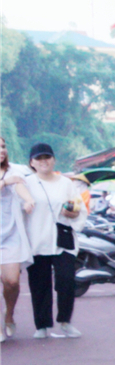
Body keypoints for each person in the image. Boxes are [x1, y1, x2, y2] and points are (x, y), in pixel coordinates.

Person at [20, 144, 85, 339]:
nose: (43, 161)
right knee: (39, 284)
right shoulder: (26, 183)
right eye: (39, 158)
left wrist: (72, 213)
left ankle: (65, 321)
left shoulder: (66, 183)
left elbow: (79, 207)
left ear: (54, 160)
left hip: (62, 240)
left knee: (66, 280)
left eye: (47, 157)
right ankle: (42, 325)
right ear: (31, 163)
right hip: (37, 240)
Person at [0, 136, 32, 340]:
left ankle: (9, 314)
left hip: (10, 234)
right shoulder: (7, 178)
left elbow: (20, 186)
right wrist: (3, 182)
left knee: (11, 282)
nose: (1, 150)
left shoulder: (14, 172)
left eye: (3, 146)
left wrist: (28, 200)